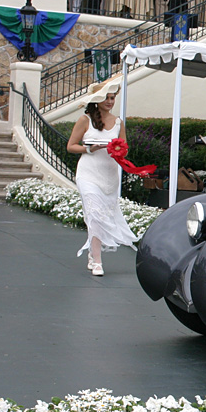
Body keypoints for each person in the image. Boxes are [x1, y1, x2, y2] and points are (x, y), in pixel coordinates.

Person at [65, 79, 138, 277]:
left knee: (99, 215)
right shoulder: (85, 120)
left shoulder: (118, 122)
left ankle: (92, 252)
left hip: (110, 175)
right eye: (106, 97)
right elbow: (71, 146)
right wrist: (89, 148)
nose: (109, 101)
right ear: (97, 100)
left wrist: (119, 152)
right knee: (95, 214)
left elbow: (124, 146)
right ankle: (97, 260)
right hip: (88, 173)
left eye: (112, 98)